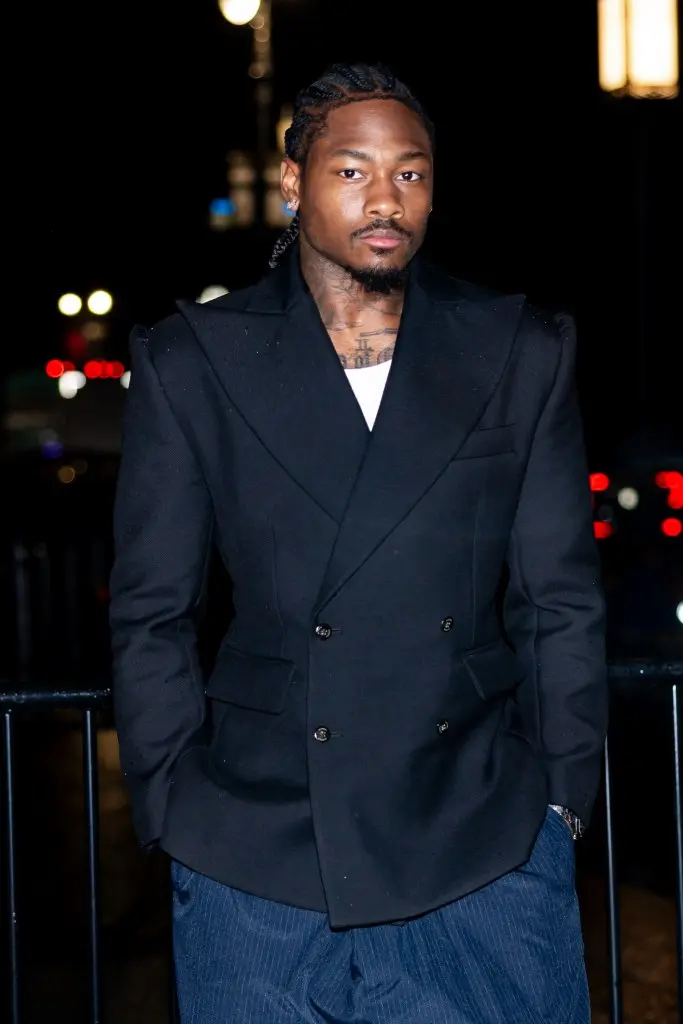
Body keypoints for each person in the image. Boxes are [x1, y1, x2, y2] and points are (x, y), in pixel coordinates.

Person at [109, 62, 607, 1023]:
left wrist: (559, 807)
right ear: (293, 183)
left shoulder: (518, 348)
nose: (386, 199)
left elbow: (559, 600)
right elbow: (152, 610)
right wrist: (172, 808)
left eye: (409, 173)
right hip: (254, 847)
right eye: (352, 171)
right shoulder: (192, 359)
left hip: (478, 839)